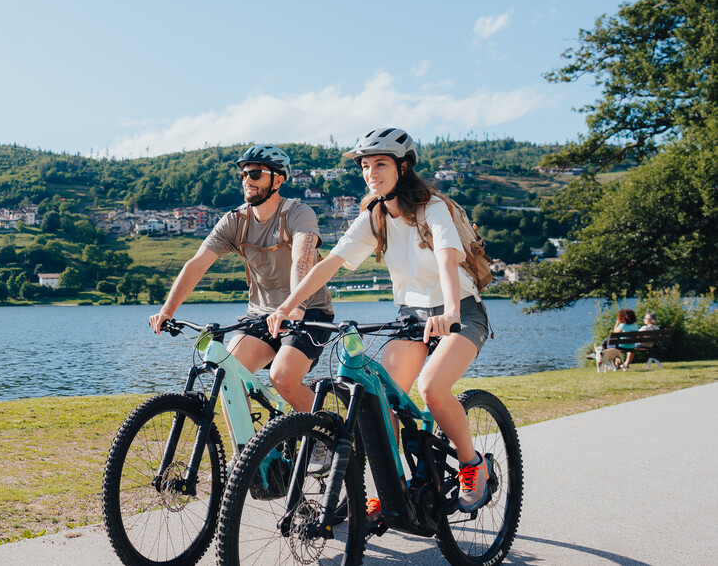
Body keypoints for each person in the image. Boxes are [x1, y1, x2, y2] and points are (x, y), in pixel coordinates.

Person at [267, 127, 493, 515]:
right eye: (366, 166)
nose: (372, 172)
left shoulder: (431, 208)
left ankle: (473, 465)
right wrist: (288, 306)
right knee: (380, 402)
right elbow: (331, 264)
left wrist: (451, 312)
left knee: (433, 387)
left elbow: (445, 258)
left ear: (403, 167)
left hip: (461, 310)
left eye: (381, 164)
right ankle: (395, 490)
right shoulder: (374, 217)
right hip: (410, 318)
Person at [149, 144, 336, 416]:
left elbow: (302, 260)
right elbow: (197, 264)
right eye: (243, 175)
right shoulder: (235, 221)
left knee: (282, 378)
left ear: (278, 179)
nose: (247, 180)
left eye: (256, 173)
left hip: (308, 312)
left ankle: (326, 435)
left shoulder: (299, 213)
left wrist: (295, 307)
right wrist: (167, 310)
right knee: (226, 376)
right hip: (260, 315)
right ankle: (252, 456)